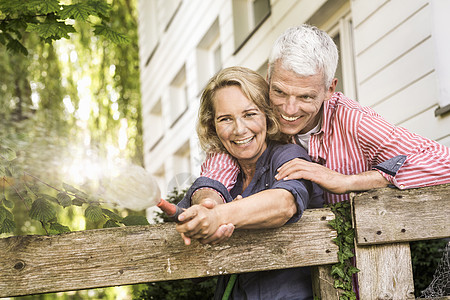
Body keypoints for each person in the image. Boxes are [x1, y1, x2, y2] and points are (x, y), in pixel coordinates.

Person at [197, 24, 450, 205]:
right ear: (268, 79)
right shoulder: (257, 111)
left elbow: (443, 162)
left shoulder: (355, 120)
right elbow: (224, 155)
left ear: (330, 89)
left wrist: (346, 181)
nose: (288, 110)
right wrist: (209, 196)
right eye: (280, 92)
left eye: (306, 97)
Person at [175, 66, 323, 299]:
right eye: (225, 119)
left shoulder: (288, 155)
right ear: (212, 125)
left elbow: (283, 204)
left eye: (250, 114)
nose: (239, 129)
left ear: (267, 114)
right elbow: (203, 193)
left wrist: (218, 216)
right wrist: (206, 205)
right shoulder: (224, 166)